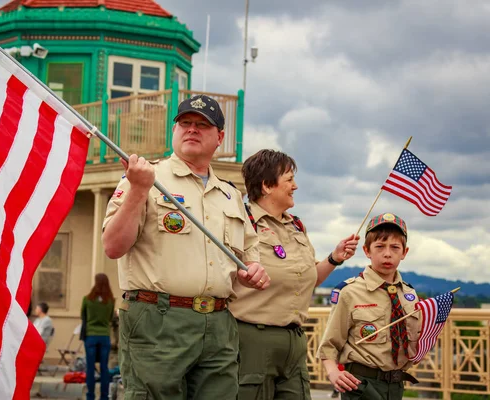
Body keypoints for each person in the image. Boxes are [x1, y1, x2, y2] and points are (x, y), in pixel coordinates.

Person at [102, 94, 270, 400]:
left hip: (219, 324)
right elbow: (113, 246)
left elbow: (250, 257)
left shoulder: (231, 196)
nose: (192, 129)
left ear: (219, 137)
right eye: (185, 123)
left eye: (202, 125)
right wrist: (139, 190)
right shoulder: (144, 178)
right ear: (174, 131)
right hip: (158, 319)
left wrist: (253, 272)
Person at [229, 149, 360, 400]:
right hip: (253, 340)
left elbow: (307, 280)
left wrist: (334, 258)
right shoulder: (242, 222)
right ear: (267, 186)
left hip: (294, 341)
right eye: (289, 179)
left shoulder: (297, 225)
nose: (295, 186)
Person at [317, 213, 421, 399]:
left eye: (395, 247)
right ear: (367, 250)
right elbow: (330, 343)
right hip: (360, 384)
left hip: (396, 385)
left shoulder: (409, 295)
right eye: (379, 247)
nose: (387, 253)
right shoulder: (350, 292)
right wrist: (333, 372)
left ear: (404, 253)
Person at [81, 273, 115, 400]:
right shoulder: (111, 300)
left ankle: (90, 396)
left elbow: (83, 316)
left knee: (90, 368)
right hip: (104, 336)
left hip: (90, 336)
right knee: (104, 367)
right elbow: (111, 318)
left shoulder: (87, 299)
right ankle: (104, 397)